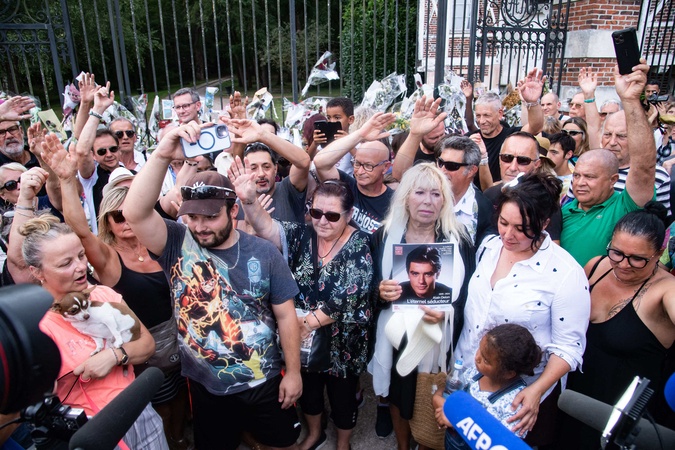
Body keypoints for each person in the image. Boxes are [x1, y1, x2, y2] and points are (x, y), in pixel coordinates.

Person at [123, 120, 302, 450]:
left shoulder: (264, 253)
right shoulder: (176, 243)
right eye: (193, 217)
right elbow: (134, 213)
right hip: (206, 385)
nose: (200, 226)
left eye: (210, 217)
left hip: (262, 379)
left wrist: (293, 373)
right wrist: (163, 153)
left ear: (233, 211)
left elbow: (286, 316)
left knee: (280, 443)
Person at [40, 134, 191, 449]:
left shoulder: (159, 243)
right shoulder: (108, 259)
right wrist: (66, 179)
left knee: (180, 397)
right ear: (107, 221)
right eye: (118, 216)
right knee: (158, 403)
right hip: (142, 346)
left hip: (181, 337)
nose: (126, 221)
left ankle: (179, 438)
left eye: (131, 214)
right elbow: (80, 230)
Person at [231, 167, 374, 450]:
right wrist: (248, 200)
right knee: (309, 393)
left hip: (342, 342)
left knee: (343, 397)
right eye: (316, 212)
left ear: (348, 216)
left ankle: (343, 442)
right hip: (304, 341)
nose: (322, 221)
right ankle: (315, 434)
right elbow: (266, 227)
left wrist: (307, 323)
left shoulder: (360, 242)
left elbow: (353, 291)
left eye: (332, 216)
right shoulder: (301, 234)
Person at [455, 172, 590, 448]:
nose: (508, 235)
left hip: (517, 396)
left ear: (544, 223)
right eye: (503, 222)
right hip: (467, 371)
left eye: (521, 228)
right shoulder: (489, 248)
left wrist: (536, 391)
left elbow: (569, 347)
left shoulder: (566, 274)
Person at [21, 215, 167, 450]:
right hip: (91, 433)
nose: (80, 266)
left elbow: (147, 344)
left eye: (81, 256)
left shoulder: (103, 295)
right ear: (37, 272)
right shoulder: (36, 327)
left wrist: (114, 356)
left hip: (138, 413)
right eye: (65, 263)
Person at [370, 163, 475, 450]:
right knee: (398, 393)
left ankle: (427, 442)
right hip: (396, 333)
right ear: (406, 198)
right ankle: (403, 446)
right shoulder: (384, 236)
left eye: (436, 194)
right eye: (419, 193)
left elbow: (470, 293)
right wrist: (380, 292)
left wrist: (449, 313)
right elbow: (368, 287)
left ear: (445, 201)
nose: (428, 201)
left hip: (437, 337)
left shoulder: (459, 239)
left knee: (432, 390)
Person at [559, 202, 675, 449]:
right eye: (617, 252)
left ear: (658, 253)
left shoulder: (666, 290)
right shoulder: (596, 266)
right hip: (574, 402)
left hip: (620, 423)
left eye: (638, 259)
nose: (623, 264)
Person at [561, 60, 659, 267]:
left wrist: (631, 100)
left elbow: (644, 167)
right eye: (577, 175)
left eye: (590, 177)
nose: (580, 183)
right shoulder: (563, 212)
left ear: (613, 180)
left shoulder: (623, 208)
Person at [433, 324, 543, 450]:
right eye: (480, 350)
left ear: (508, 373)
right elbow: (450, 395)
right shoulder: (474, 374)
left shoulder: (515, 404)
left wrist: (456, 421)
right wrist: (440, 400)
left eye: (486, 360)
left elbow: (499, 443)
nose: (477, 358)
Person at [313, 112, 397, 235]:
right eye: (357, 164)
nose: (360, 172)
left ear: (385, 168)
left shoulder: (394, 202)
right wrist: (360, 135)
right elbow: (320, 162)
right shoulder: (345, 186)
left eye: (368, 166)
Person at [468, 68, 545, 182]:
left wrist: (532, 102)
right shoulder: (471, 139)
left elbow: (535, 127)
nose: (482, 121)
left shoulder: (511, 136)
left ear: (500, 114)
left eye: (487, 115)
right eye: (478, 116)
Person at [545, 132, 576, 203]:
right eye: (546, 151)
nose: (548, 156)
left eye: (554, 152)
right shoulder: (539, 174)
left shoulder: (574, 182)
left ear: (568, 154)